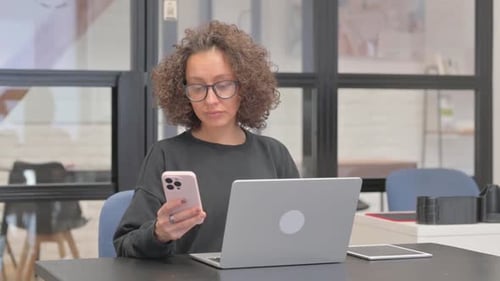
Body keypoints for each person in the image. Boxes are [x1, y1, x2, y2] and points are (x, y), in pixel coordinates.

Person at [113, 20, 300, 259]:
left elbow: (297, 232)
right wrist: (158, 234)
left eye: (223, 85)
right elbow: (125, 244)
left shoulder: (274, 154)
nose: (210, 100)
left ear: (245, 87)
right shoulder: (165, 155)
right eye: (198, 87)